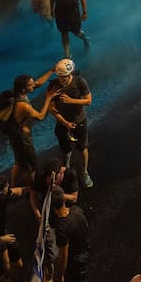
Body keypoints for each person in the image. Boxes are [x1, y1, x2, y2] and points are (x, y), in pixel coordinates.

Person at [48, 58, 94, 188]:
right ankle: (66, 162)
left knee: (82, 147)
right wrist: (65, 123)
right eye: (59, 76)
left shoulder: (80, 82)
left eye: (64, 77)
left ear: (70, 74)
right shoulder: (53, 86)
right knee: (65, 148)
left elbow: (88, 100)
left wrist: (71, 100)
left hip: (79, 121)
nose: (61, 79)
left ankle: (84, 173)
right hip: (62, 123)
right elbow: (51, 109)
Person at [51, 185, 90, 282]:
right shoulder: (77, 210)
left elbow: (63, 255)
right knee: (81, 281)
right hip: (85, 252)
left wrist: (60, 276)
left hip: (75, 262)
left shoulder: (61, 228)